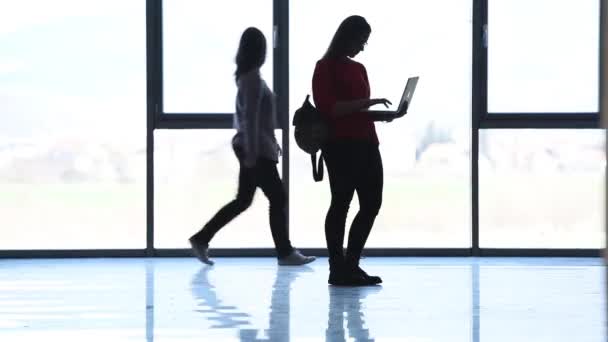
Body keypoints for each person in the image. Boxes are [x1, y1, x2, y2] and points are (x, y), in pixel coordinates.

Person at [189, 27, 316, 267]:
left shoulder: (248, 77)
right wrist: (253, 153)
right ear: (260, 51)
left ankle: (201, 238)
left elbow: (259, 120)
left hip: (256, 146)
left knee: (244, 200)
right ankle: (285, 252)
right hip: (255, 149)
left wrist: (271, 144)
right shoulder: (252, 80)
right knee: (277, 198)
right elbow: (251, 119)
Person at [312, 15, 407, 286]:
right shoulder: (324, 67)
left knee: (371, 203)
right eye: (360, 40)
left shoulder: (359, 69)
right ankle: (337, 268)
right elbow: (331, 108)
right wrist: (369, 103)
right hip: (340, 146)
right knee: (341, 203)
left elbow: (358, 111)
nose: (362, 47)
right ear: (346, 37)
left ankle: (351, 264)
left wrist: (382, 115)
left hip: (366, 142)